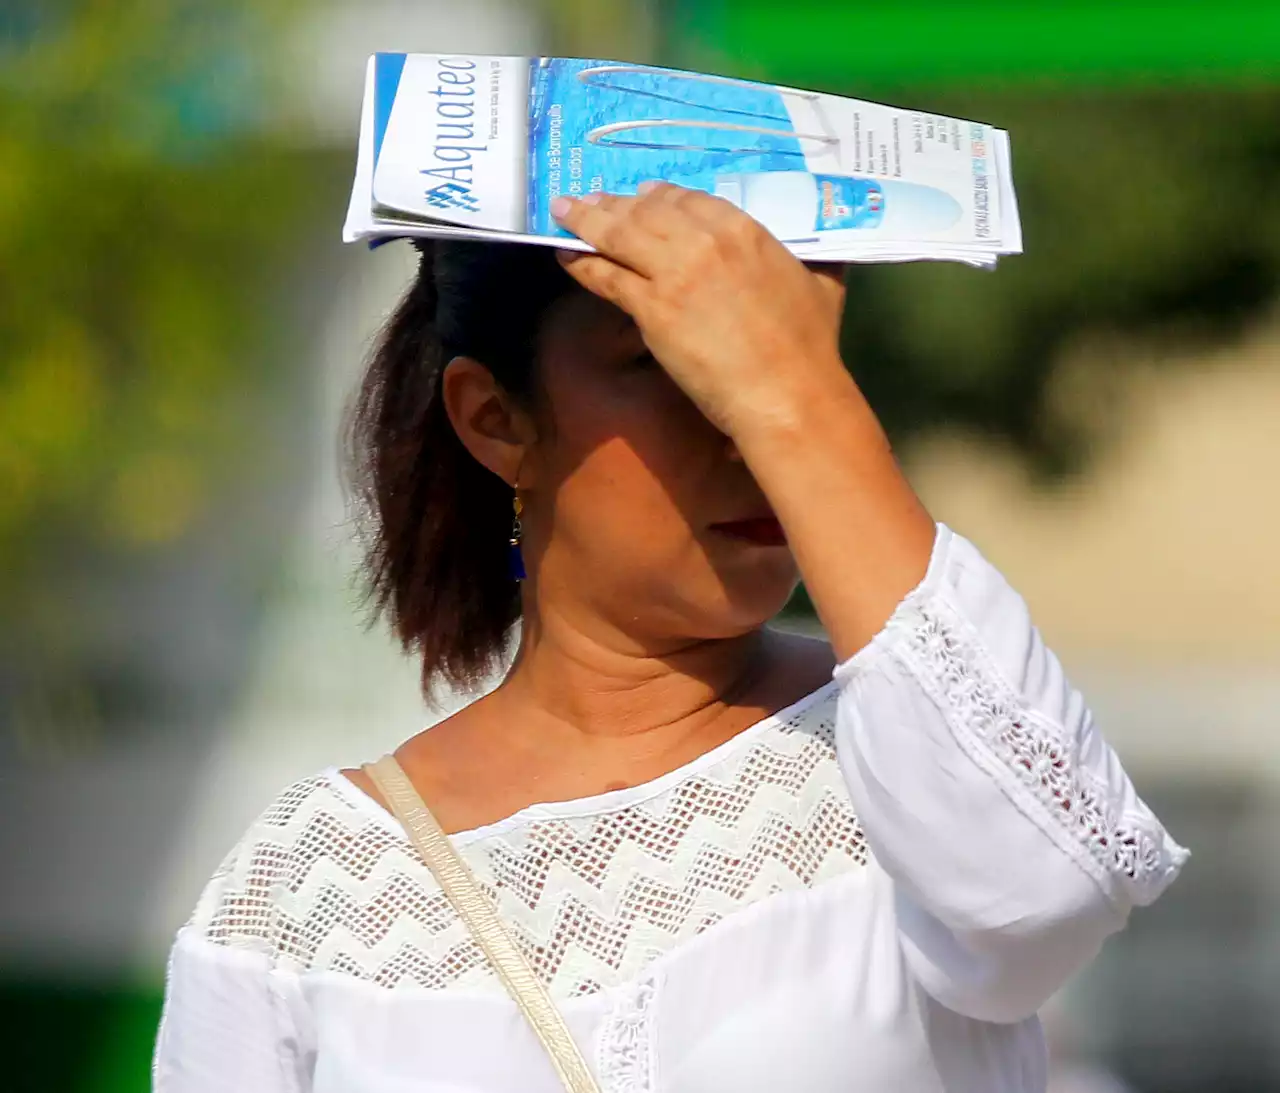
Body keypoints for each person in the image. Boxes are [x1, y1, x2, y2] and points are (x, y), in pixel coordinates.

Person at [152, 184, 1186, 1092]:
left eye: (765, 368)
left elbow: (1041, 900)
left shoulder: (907, 758)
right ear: (496, 420)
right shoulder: (307, 888)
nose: (738, 425)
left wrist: (797, 396)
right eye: (666, 362)